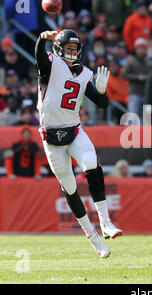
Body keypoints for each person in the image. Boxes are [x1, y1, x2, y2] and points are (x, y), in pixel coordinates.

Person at [34, 29, 122, 258]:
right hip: (51, 138)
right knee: (70, 188)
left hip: (73, 131)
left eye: (75, 48)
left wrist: (102, 92)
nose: (72, 52)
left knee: (92, 164)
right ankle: (93, 239)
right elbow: (39, 55)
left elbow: (101, 103)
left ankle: (105, 223)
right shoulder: (50, 64)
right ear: (58, 47)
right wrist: (43, 39)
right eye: (69, 48)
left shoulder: (84, 73)